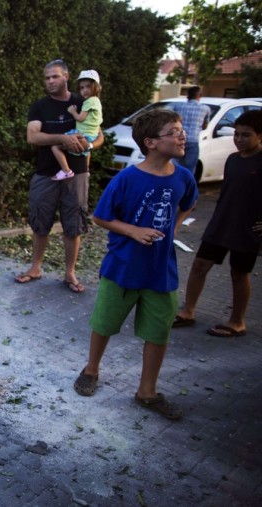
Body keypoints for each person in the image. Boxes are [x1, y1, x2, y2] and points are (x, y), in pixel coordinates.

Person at [73, 109, 198, 421]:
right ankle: (91, 369)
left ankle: (147, 391)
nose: (182, 136)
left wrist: (173, 228)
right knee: (104, 324)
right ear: (151, 142)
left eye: (181, 130)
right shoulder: (127, 178)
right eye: (174, 131)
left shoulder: (184, 177)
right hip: (122, 267)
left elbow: (188, 203)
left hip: (161, 271)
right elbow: (101, 216)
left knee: (158, 332)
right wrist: (134, 231)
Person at [15, 59, 104, 293]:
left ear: (66, 76)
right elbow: (33, 137)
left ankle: (70, 273)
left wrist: (90, 146)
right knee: (40, 221)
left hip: (78, 175)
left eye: (54, 76)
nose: (50, 81)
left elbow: (99, 135)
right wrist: (62, 139)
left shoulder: (82, 101)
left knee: (74, 224)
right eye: (46, 78)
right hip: (46, 173)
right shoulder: (40, 107)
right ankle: (35, 267)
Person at [172, 110, 262, 337]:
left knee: (238, 273)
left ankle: (237, 321)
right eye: (237, 134)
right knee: (199, 265)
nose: (239, 140)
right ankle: (188, 311)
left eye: (246, 135)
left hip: (247, 229)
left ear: (260, 136)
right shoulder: (232, 160)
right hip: (221, 223)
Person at [50, 70, 103, 181]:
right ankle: (86, 170)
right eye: (82, 88)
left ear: (95, 86)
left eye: (88, 87)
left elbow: (80, 118)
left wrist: (73, 111)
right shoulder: (97, 101)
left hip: (83, 135)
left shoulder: (89, 102)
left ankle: (66, 171)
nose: (85, 90)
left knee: (55, 147)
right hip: (91, 135)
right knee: (87, 152)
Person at [172, 86, 211, 178]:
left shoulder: (177, 107)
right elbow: (205, 126)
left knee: (175, 167)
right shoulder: (205, 109)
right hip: (193, 141)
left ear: (187, 96)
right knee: (190, 168)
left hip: (178, 139)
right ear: (200, 95)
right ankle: (187, 188)